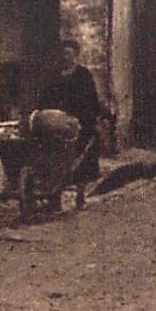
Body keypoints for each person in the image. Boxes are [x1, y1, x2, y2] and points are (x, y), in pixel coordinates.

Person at [34, 42, 102, 210]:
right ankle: (54, 195)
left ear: (75, 56)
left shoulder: (83, 75)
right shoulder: (54, 75)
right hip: (56, 121)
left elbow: (91, 100)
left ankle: (80, 194)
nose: (65, 57)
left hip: (79, 120)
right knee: (50, 154)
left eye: (69, 54)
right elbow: (44, 96)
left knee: (83, 154)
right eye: (63, 54)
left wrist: (88, 118)